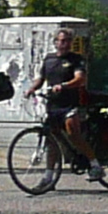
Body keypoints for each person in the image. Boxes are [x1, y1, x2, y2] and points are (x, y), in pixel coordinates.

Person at [37, 26, 93, 165]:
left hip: (70, 104)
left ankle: (94, 163)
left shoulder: (76, 59)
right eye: (62, 41)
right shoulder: (49, 59)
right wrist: (31, 89)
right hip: (53, 104)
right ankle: (48, 176)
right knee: (52, 140)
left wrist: (63, 86)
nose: (65, 44)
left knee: (73, 134)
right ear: (55, 42)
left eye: (68, 41)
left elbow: (80, 79)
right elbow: (41, 78)